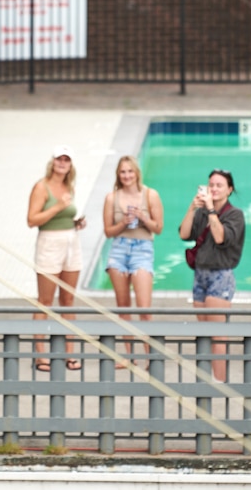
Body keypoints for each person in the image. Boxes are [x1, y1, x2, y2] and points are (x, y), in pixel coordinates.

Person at [178, 169, 246, 383]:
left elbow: (220, 237)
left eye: (219, 185)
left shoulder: (234, 214)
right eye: (211, 185)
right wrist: (192, 207)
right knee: (205, 331)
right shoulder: (201, 213)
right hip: (201, 274)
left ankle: (220, 380)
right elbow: (184, 233)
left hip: (220, 274)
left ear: (229, 189)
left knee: (218, 332)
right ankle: (208, 379)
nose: (214, 189)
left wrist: (210, 209)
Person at [27, 144, 87, 372]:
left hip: (71, 241)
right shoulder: (41, 187)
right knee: (45, 301)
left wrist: (76, 223)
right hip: (49, 243)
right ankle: (41, 354)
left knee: (68, 300)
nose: (62, 163)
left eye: (67, 160)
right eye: (59, 159)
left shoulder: (67, 186)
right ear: (53, 162)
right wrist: (58, 207)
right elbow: (32, 219)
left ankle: (69, 353)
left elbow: (65, 215)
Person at [102, 155, 162, 368]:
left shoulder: (150, 195)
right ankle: (128, 355)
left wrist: (143, 218)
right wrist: (124, 223)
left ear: (137, 172)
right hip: (119, 249)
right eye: (122, 172)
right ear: (118, 175)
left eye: (129, 171)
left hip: (142, 249)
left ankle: (149, 353)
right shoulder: (112, 198)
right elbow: (108, 231)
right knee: (123, 307)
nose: (126, 175)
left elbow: (158, 228)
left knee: (144, 308)